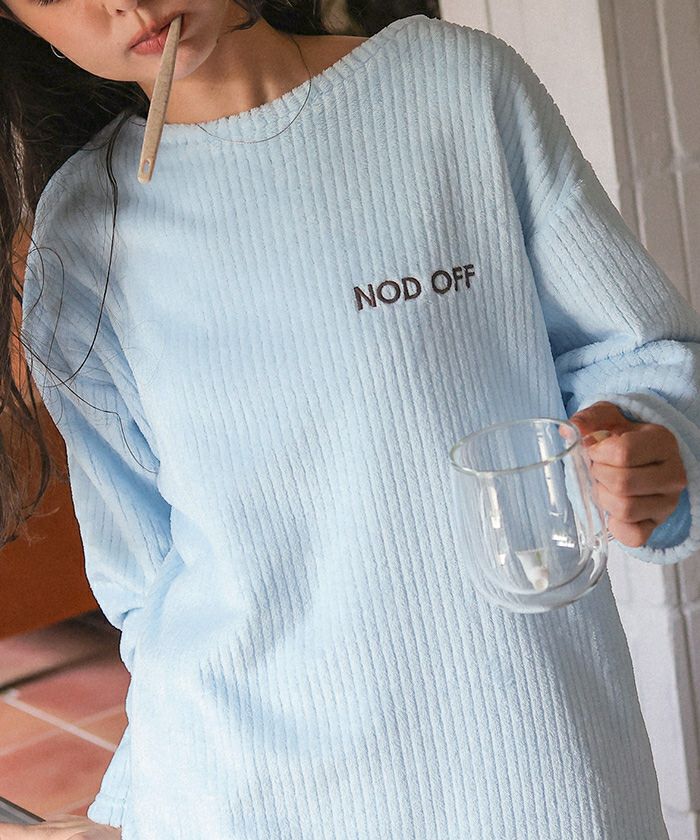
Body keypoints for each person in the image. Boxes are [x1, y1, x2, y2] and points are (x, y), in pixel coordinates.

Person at [0, 1, 697, 838]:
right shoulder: (83, 233)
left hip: (530, 759)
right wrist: (134, 811)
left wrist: (649, 436)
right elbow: (147, 591)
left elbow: (637, 353)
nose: (126, 3)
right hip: (244, 796)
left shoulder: (454, 91)